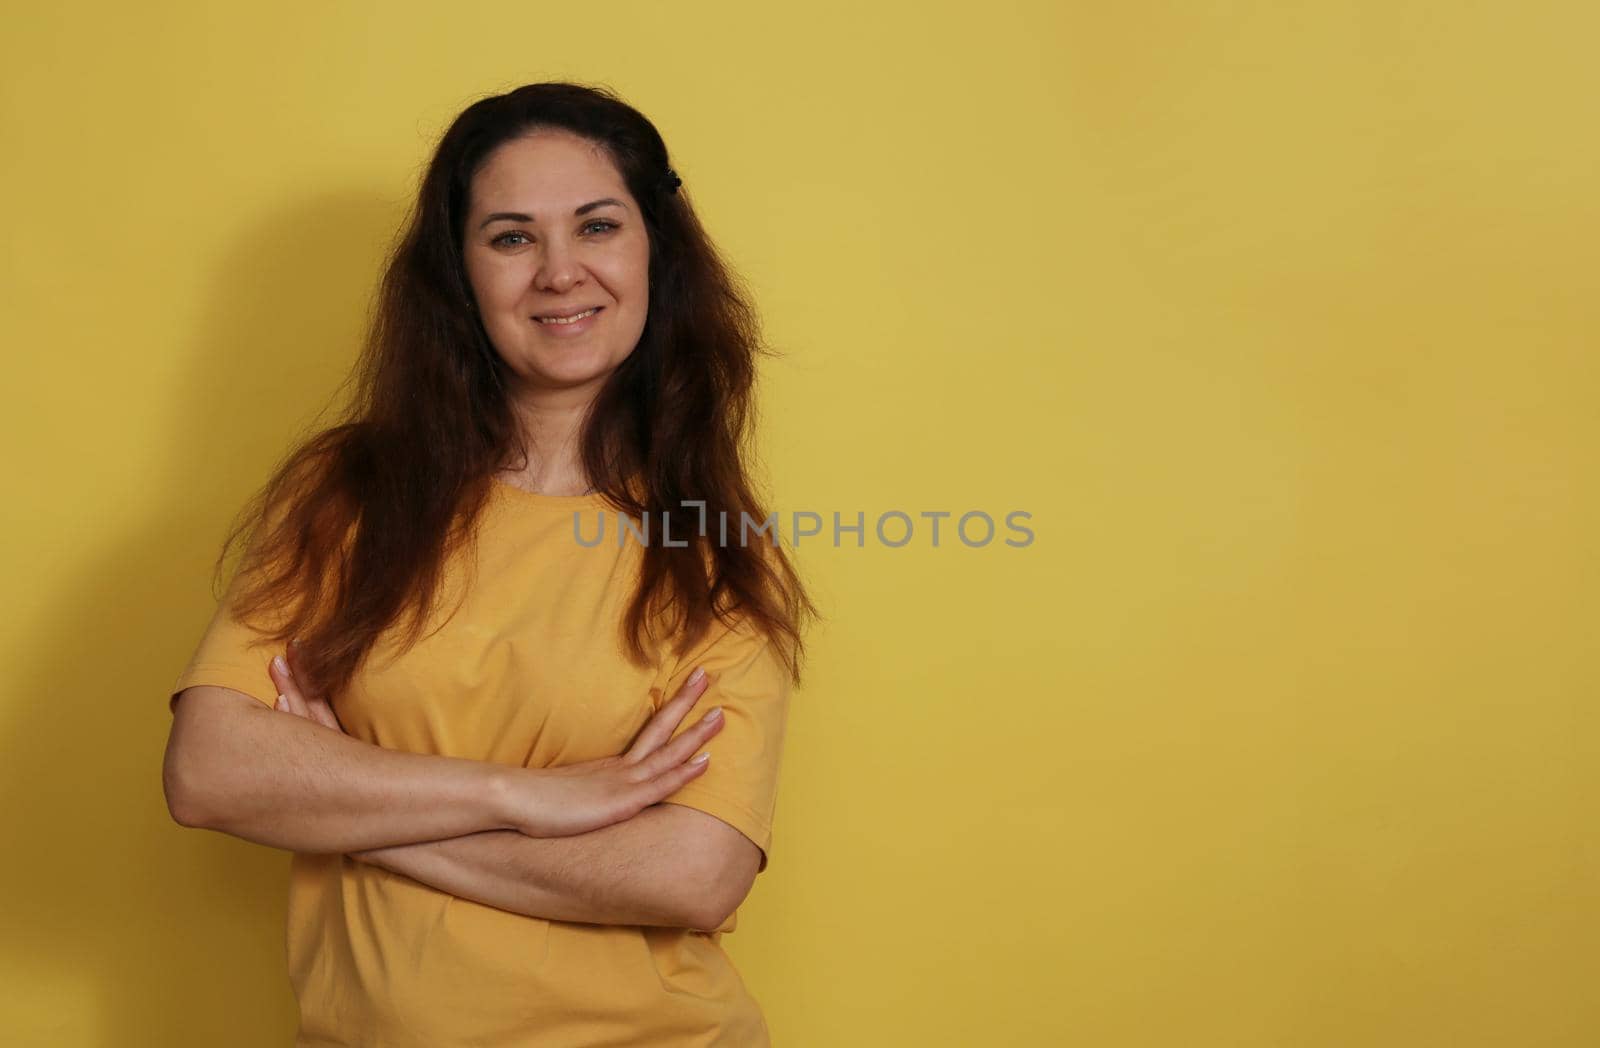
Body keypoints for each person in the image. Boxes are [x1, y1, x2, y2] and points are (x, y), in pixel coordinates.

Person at [161, 81, 816, 1047]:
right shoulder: (350, 495)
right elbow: (210, 772)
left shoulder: (708, 551)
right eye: (511, 237)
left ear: (654, 254)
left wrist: (342, 791)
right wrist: (530, 798)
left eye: (597, 226)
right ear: (459, 273)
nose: (560, 272)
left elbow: (692, 873)